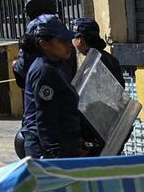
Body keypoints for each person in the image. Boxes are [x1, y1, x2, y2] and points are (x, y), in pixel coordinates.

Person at [18, 15, 104, 159]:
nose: (69, 44)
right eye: (62, 41)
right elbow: (45, 118)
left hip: (63, 146)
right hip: (47, 150)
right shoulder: (44, 71)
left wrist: (77, 142)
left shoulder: (56, 66)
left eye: (68, 39)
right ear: (44, 44)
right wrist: (54, 156)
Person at [69, 16, 124, 84]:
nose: (71, 42)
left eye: (73, 38)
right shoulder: (106, 58)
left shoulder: (94, 64)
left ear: (80, 40)